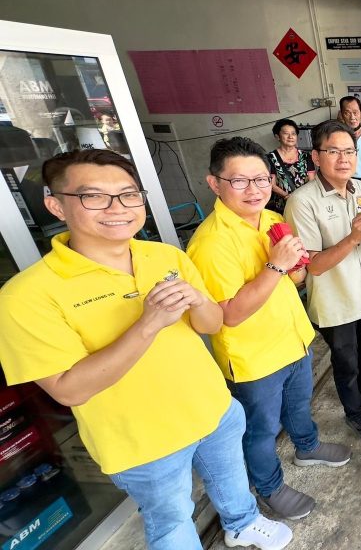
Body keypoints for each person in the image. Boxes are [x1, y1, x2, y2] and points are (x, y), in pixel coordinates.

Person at [0, 149, 291, 550]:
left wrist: (197, 299)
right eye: (94, 196)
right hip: (140, 440)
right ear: (56, 205)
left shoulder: (165, 256)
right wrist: (148, 324)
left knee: (231, 480)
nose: (117, 207)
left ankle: (242, 522)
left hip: (212, 409)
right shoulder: (25, 295)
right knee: (171, 520)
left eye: (129, 194)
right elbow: (68, 389)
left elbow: (213, 324)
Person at [188, 137, 350, 521]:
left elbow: (293, 279)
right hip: (255, 359)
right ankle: (269, 487)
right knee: (260, 431)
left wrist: (292, 267)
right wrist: (276, 267)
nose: (255, 190)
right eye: (239, 181)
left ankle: (307, 447)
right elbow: (229, 315)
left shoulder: (273, 220)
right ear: (215, 184)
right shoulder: (210, 244)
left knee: (298, 406)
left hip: (293, 339)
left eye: (261, 179)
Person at [284, 120, 361, 443]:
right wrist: (353, 237)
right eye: (334, 151)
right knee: (345, 360)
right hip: (336, 301)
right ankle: (355, 410)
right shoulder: (302, 201)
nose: (344, 158)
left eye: (349, 151)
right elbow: (313, 266)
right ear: (317, 157)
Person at [266, 119, 315, 214]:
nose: (290, 137)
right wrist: (287, 196)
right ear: (277, 136)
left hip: (305, 202)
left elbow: (312, 180)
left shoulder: (306, 156)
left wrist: (302, 197)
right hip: (283, 204)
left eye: (293, 133)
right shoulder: (271, 158)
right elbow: (271, 184)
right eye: (286, 133)